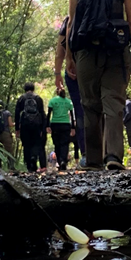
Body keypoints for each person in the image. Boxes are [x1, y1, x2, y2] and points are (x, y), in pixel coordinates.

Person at [67, 0, 131, 171]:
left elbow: (71, 25)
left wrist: (70, 57)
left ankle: (94, 160)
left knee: (89, 105)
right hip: (116, 51)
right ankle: (114, 157)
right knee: (114, 104)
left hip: (86, 52)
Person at [54, 16, 85, 160]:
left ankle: (87, 153)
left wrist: (57, 73)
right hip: (97, 67)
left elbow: (60, 51)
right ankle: (107, 151)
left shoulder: (69, 21)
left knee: (80, 112)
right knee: (101, 109)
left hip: (72, 72)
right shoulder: (100, 11)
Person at [14, 82, 47, 172]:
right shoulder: (38, 98)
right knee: (36, 143)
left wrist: (17, 128)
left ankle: (29, 165)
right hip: (36, 124)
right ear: (33, 89)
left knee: (26, 144)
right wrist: (43, 128)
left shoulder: (21, 99)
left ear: (24, 89)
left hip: (25, 124)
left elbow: (17, 114)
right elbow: (43, 114)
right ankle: (34, 157)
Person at [46, 88, 76, 170]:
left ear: (57, 93)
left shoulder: (52, 101)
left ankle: (59, 161)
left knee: (57, 144)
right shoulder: (68, 102)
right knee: (65, 143)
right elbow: (73, 116)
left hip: (55, 124)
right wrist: (73, 127)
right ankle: (63, 160)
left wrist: (47, 126)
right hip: (66, 124)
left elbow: (48, 114)